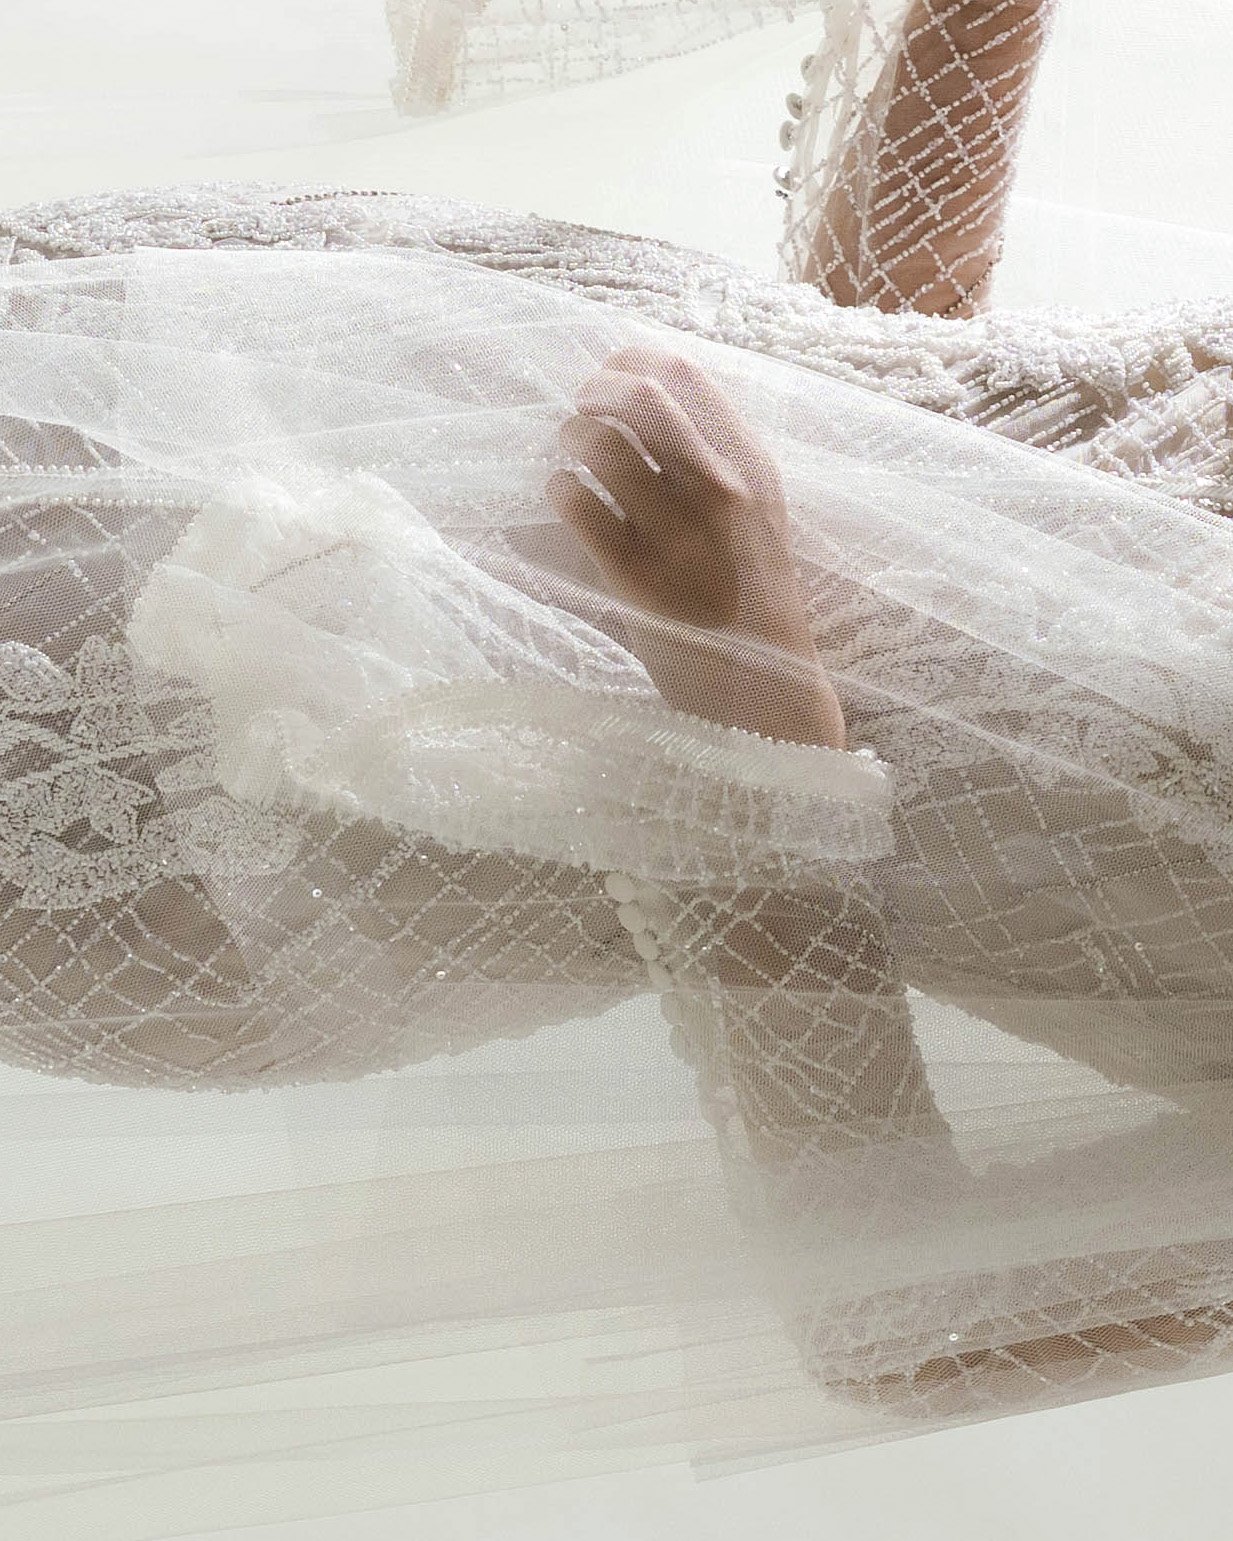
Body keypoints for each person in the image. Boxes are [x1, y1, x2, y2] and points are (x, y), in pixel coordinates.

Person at [2, 0, 1231, 1461]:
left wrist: (747, 691)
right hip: (262, 334)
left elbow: (914, 1320)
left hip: (259, 779)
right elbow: (921, 458)